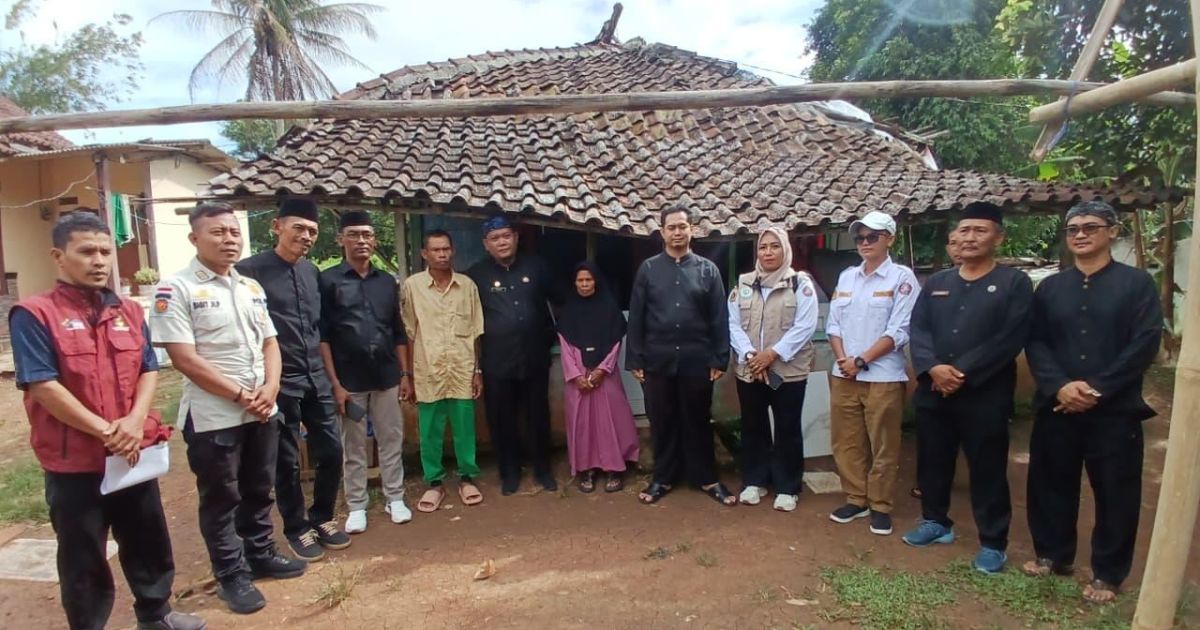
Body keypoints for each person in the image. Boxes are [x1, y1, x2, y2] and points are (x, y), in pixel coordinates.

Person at [11, 213, 205, 630]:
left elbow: (149, 368)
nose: (99, 260)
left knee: (148, 539)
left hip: (133, 454)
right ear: (58, 256)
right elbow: (43, 385)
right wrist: (106, 432)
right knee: (82, 555)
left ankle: (156, 615)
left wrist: (134, 423)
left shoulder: (130, 310)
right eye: (86, 251)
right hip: (75, 464)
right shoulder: (34, 314)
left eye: (105, 251)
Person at [152, 202, 305, 615]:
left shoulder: (248, 287)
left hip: (261, 409)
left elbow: (270, 343)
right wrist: (242, 395)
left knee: (259, 488)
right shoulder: (176, 289)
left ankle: (261, 555)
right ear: (194, 238)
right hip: (214, 415)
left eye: (234, 232)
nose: (228, 239)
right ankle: (231, 575)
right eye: (217, 232)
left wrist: (271, 388)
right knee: (222, 499)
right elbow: (184, 358)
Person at [1023, 201, 1162, 603]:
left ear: (1112, 232)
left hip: (1114, 410)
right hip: (1057, 404)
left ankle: (1108, 573)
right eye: (1073, 229)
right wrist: (1060, 386)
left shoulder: (1136, 285)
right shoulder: (1051, 287)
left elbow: (1143, 344)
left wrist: (1096, 389)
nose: (1080, 235)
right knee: (1050, 482)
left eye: (1090, 227)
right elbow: (1036, 341)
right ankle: (1052, 554)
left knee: (1116, 492)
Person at [905, 202, 1033, 574]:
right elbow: (919, 330)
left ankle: (993, 541)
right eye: (964, 231)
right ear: (954, 238)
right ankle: (935, 521)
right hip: (933, 391)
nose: (970, 237)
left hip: (984, 393)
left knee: (987, 468)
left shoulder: (1014, 283)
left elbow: (1011, 337)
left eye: (979, 230)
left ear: (998, 237)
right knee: (932, 460)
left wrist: (959, 372)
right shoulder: (938, 284)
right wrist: (932, 368)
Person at [237, 199, 350, 561]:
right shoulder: (248, 272)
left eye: (312, 231)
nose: (305, 236)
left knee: (331, 451)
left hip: (315, 376)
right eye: (298, 228)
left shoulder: (312, 272)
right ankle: (297, 527)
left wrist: (332, 378)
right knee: (285, 460)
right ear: (277, 227)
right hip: (278, 381)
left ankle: (322, 517)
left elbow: (320, 329)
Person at [627, 206, 735, 506]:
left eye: (682, 227)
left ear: (692, 230)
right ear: (662, 232)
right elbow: (636, 315)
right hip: (657, 360)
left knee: (698, 419)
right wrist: (635, 358)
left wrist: (718, 358)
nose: (677, 232)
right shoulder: (648, 269)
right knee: (662, 420)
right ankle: (663, 477)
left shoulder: (707, 270)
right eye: (671, 227)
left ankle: (707, 477)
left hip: (696, 359)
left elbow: (718, 317)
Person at [318, 210, 414, 533]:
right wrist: (335, 383)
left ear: (374, 240)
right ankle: (357, 504)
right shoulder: (328, 280)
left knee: (391, 438)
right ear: (341, 239)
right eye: (355, 234)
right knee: (354, 444)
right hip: (349, 381)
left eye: (368, 235)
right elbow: (324, 337)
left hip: (386, 376)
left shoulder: (387, 281)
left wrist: (404, 375)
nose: (362, 241)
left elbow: (398, 331)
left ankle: (395, 497)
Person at [825, 211, 919, 535]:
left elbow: (900, 330)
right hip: (844, 375)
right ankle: (856, 498)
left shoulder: (902, 278)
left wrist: (861, 361)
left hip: (883, 377)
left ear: (889, 239)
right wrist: (843, 361)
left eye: (872, 237)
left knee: (883, 443)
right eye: (860, 238)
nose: (865, 243)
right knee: (846, 441)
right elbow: (833, 325)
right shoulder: (847, 277)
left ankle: (880, 505)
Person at [728, 227, 819, 512]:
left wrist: (772, 355)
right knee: (753, 425)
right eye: (763, 247)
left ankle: (787, 487)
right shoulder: (743, 283)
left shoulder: (800, 284)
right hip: (750, 370)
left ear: (785, 250)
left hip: (788, 372)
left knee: (787, 427)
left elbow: (805, 326)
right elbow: (732, 323)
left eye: (774, 246)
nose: (767, 252)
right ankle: (755, 481)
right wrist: (750, 355)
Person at [467, 216, 559, 494]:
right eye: (495, 238)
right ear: (486, 244)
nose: (502, 242)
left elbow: (562, 299)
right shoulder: (475, 276)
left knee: (538, 416)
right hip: (496, 362)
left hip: (534, 358)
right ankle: (509, 472)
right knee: (501, 419)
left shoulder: (538, 267)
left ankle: (543, 469)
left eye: (506, 235)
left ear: (516, 237)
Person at [401, 230, 486, 512]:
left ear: (453, 251)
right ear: (424, 254)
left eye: (446, 249)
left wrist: (478, 370)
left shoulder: (467, 286)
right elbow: (409, 334)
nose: (441, 254)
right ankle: (434, 483)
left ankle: (467, 478)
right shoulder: (412, 287)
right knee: (429, 431)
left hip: (462, 369)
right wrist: (408, 376)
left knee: (464, 428)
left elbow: (476, 332)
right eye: (435, 250)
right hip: (428, 370)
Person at [557, 261, 640, 493]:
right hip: (578, 380)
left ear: (596, 281)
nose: (584, 284)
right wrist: (577, 375)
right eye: (580, 280)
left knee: (611, 421)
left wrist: (602, 370)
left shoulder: (609, 308)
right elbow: (565, 345)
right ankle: (587, 469)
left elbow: (615, 342)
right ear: (574, 283)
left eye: (589, 280)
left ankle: (614, 467)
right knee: (583, 425)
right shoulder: (568, 311)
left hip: (606, 377)